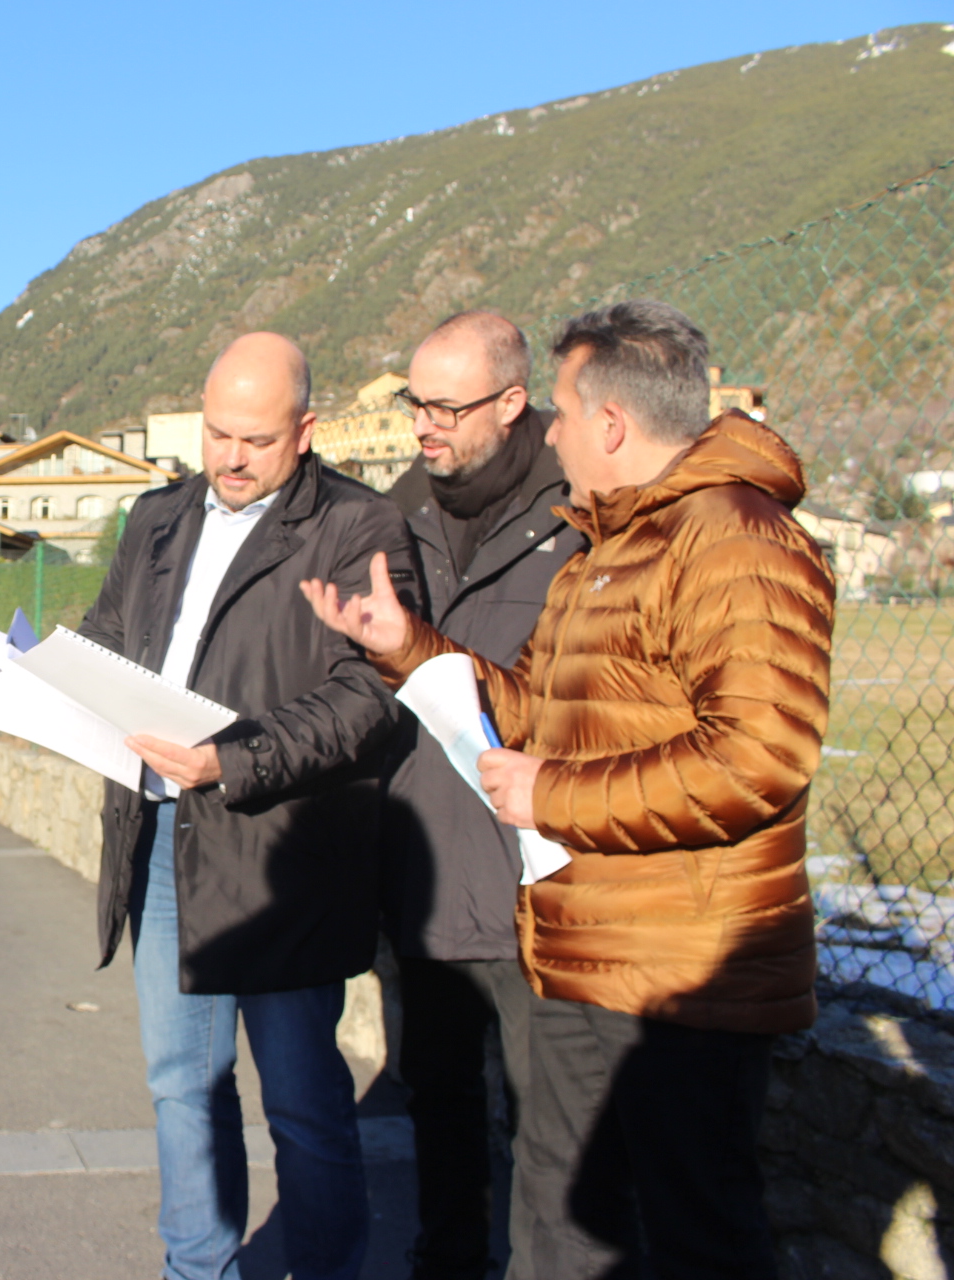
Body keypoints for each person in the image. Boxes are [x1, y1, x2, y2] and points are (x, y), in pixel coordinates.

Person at [304, 300, 833, 1280]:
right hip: (585, 947)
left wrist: (556, 795)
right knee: (563, 1211)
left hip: (689, 967)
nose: (549, 432)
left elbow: (759, 756)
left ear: (612, 424)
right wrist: (407, 647)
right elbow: (530, 705)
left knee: (698, 1231)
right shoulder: (610, 549)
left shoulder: (739, 541)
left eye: (557, 409)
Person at [78, 331, 418, 1280]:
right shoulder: (155, 517)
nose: (228, 458)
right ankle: (199, 1271)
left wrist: (229, 762)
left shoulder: (360, 529)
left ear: (305, 431)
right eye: (216, 433)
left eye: (255, 441)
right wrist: (63, 682)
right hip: (158, 843)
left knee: (306, 1106)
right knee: (181, 1086)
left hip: (285, 861)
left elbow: (367, 699)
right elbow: (110, 635)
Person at [378, 312, 586, 1280]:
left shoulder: (583, 506)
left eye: (446, 406)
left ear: (512, 403)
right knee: (440, 1105)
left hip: (543, 881)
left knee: (554, 1135)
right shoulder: (399, 507)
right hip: (424, 866)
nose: (424, 424)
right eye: (414, 400)